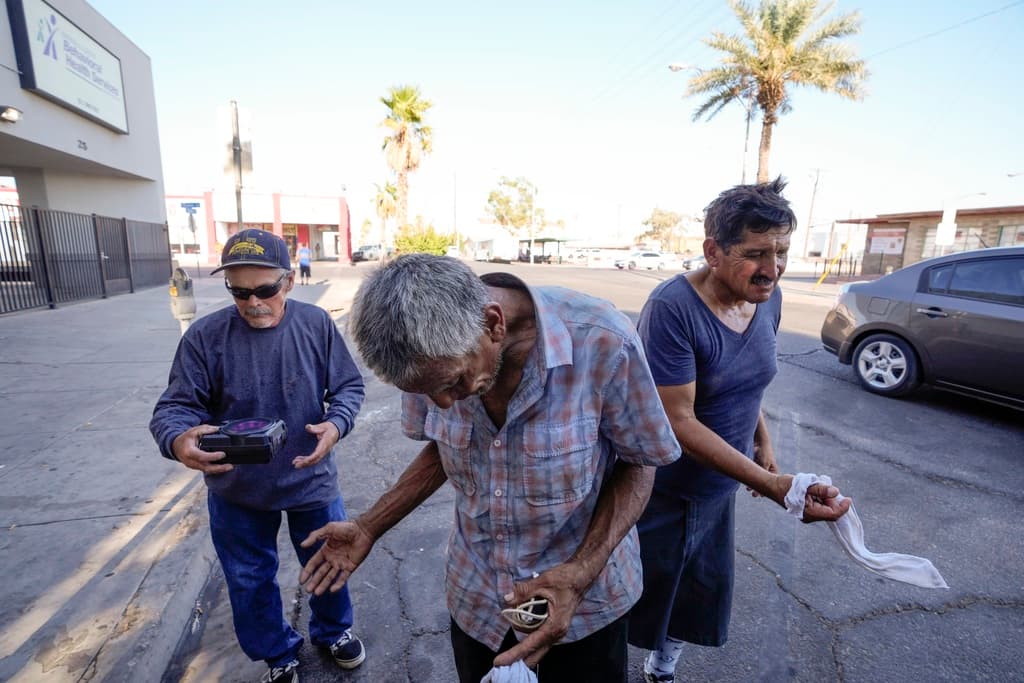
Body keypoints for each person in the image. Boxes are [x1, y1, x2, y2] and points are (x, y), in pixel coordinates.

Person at [297, 254, 681, 682]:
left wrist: (581, 572)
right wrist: (370, 526)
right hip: (479, 601)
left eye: (452, 383)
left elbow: (641, 461)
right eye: (426, 392)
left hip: (582, 607)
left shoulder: (602, 340)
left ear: (494, 324)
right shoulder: (427, 359)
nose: (443, 403)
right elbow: (443, 448)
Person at [627, 178, 852, 683]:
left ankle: (662, 668)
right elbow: (678, 421)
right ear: (713, 251)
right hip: (661, 489)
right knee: (636, 593)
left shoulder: (766, 298)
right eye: (755, 253)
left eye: (782, 251)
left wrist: (762, 443)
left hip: (718, 485)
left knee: (697, 590)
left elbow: (745, 381)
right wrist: (772, 484)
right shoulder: (673, 310)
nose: (772, 269)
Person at [149, 228, 367, 683]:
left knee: (328, 560)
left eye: (265, 289)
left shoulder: (316, 325)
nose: (253, 303)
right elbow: (174, 408)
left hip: (310, 477)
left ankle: (333, 631)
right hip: (237, 488)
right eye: (239, 292)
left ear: (288, 282)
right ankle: (277, 652)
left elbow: (348, 386)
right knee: (248, 578)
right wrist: (179, 441)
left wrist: (336, 423)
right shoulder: (206, 337)